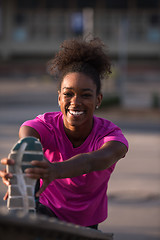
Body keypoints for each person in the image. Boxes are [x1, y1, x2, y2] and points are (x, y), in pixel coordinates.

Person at [0, 37, 128, 230]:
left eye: (85, 95)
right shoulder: (48, 125)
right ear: (59, 98)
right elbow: (27, 131)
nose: (75, 102)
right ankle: (26, 205)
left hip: (87, 223)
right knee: (31, 165)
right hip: (47, 211)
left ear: (98, 99)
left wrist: (55, 171)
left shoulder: (110, 135)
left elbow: (93, 160)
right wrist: (23, 164)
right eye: (68, 94)